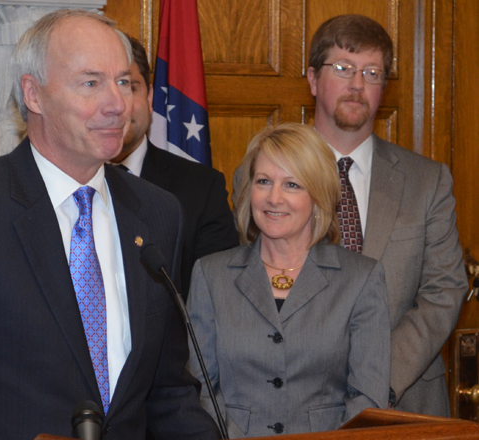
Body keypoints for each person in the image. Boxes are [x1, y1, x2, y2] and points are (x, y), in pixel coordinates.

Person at [0, 10, 221, 440]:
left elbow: (168, 393)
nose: (117, 104)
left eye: (123, 82)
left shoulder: (158, 213)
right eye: (91, 83)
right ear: (34, 94)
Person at [305, 14, 467, 416]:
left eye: (373, 73)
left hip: (407, 402)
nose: (358, 85)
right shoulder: (267, 177)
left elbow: (444, 290)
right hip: (301, 404)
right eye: (343, 69)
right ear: (312, 79)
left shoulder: (427, 181)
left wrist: (376, 378)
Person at [188, 123, 390, 437]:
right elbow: (200, 392)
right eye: (264, 181)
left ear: (318, 193)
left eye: (292, 185)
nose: (274, 198)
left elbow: (367, 399)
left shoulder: (361, 279)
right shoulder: (210, 276)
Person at [111, 36, 238, 299]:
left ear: (149, 97)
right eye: (98, 86)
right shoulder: (64, 183)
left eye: (128, 85)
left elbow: (217, 299)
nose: (117, 104)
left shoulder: (202, 189)